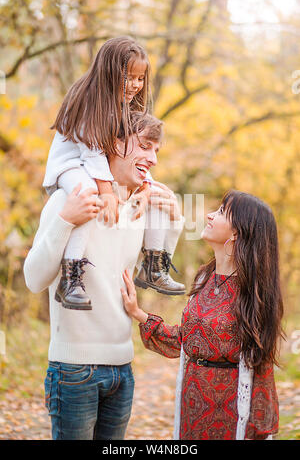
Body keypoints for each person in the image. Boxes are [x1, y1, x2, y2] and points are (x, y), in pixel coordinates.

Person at [23, 111, 185, 440]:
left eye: (157, 151)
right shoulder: (70, 199)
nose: (153, 159)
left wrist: (175, 220)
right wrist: (65, 220)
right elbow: (33, 279)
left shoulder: (138, 207)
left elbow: (141, 275)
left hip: (123, 369)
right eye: (145, 147)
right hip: (73, 371)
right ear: (115, 143)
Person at [121, 190, 284, 440]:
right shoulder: (203, 278)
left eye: (220, 212)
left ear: (236, 232)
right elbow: (185, 340)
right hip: (192, 404)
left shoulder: (252, 293)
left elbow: (261, 366)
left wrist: (259, 430)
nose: (209, 215)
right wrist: (138, 313)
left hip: (229, 413)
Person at [43, 35, 184, 311]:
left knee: (157, 191)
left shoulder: (123, 105)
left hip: (98, 166)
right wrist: (107, 193)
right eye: (128, 77)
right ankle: (70, 276)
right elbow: (92, 153)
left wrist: (145, 189)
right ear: (108, 71)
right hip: (71, 166)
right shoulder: (87, 99)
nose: (135, 85)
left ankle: (154, 266)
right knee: (90, 195)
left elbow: (125, 150)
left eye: (140, 78)